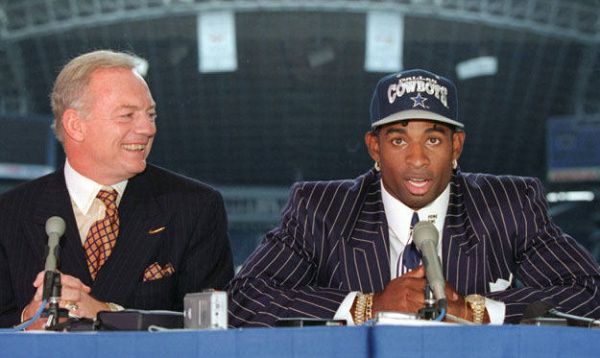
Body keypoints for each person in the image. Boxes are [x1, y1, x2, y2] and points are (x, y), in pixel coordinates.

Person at [228, 68, 600, 327]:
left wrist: (479, 312)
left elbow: (588, 291)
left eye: (434, 139)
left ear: (457, 145)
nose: (417, 159)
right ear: (374, 147)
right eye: (398, 140)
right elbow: (243, 299)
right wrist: (365, 307)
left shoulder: (509, 203)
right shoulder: (321, 209)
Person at [0, 50, 234, 328]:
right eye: (127, 115)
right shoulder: (9, 214)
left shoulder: (195, 207)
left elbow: (211, 330)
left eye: (150, 114)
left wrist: (105, 313)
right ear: (75, 125)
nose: (148, 128)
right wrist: (30, 320)